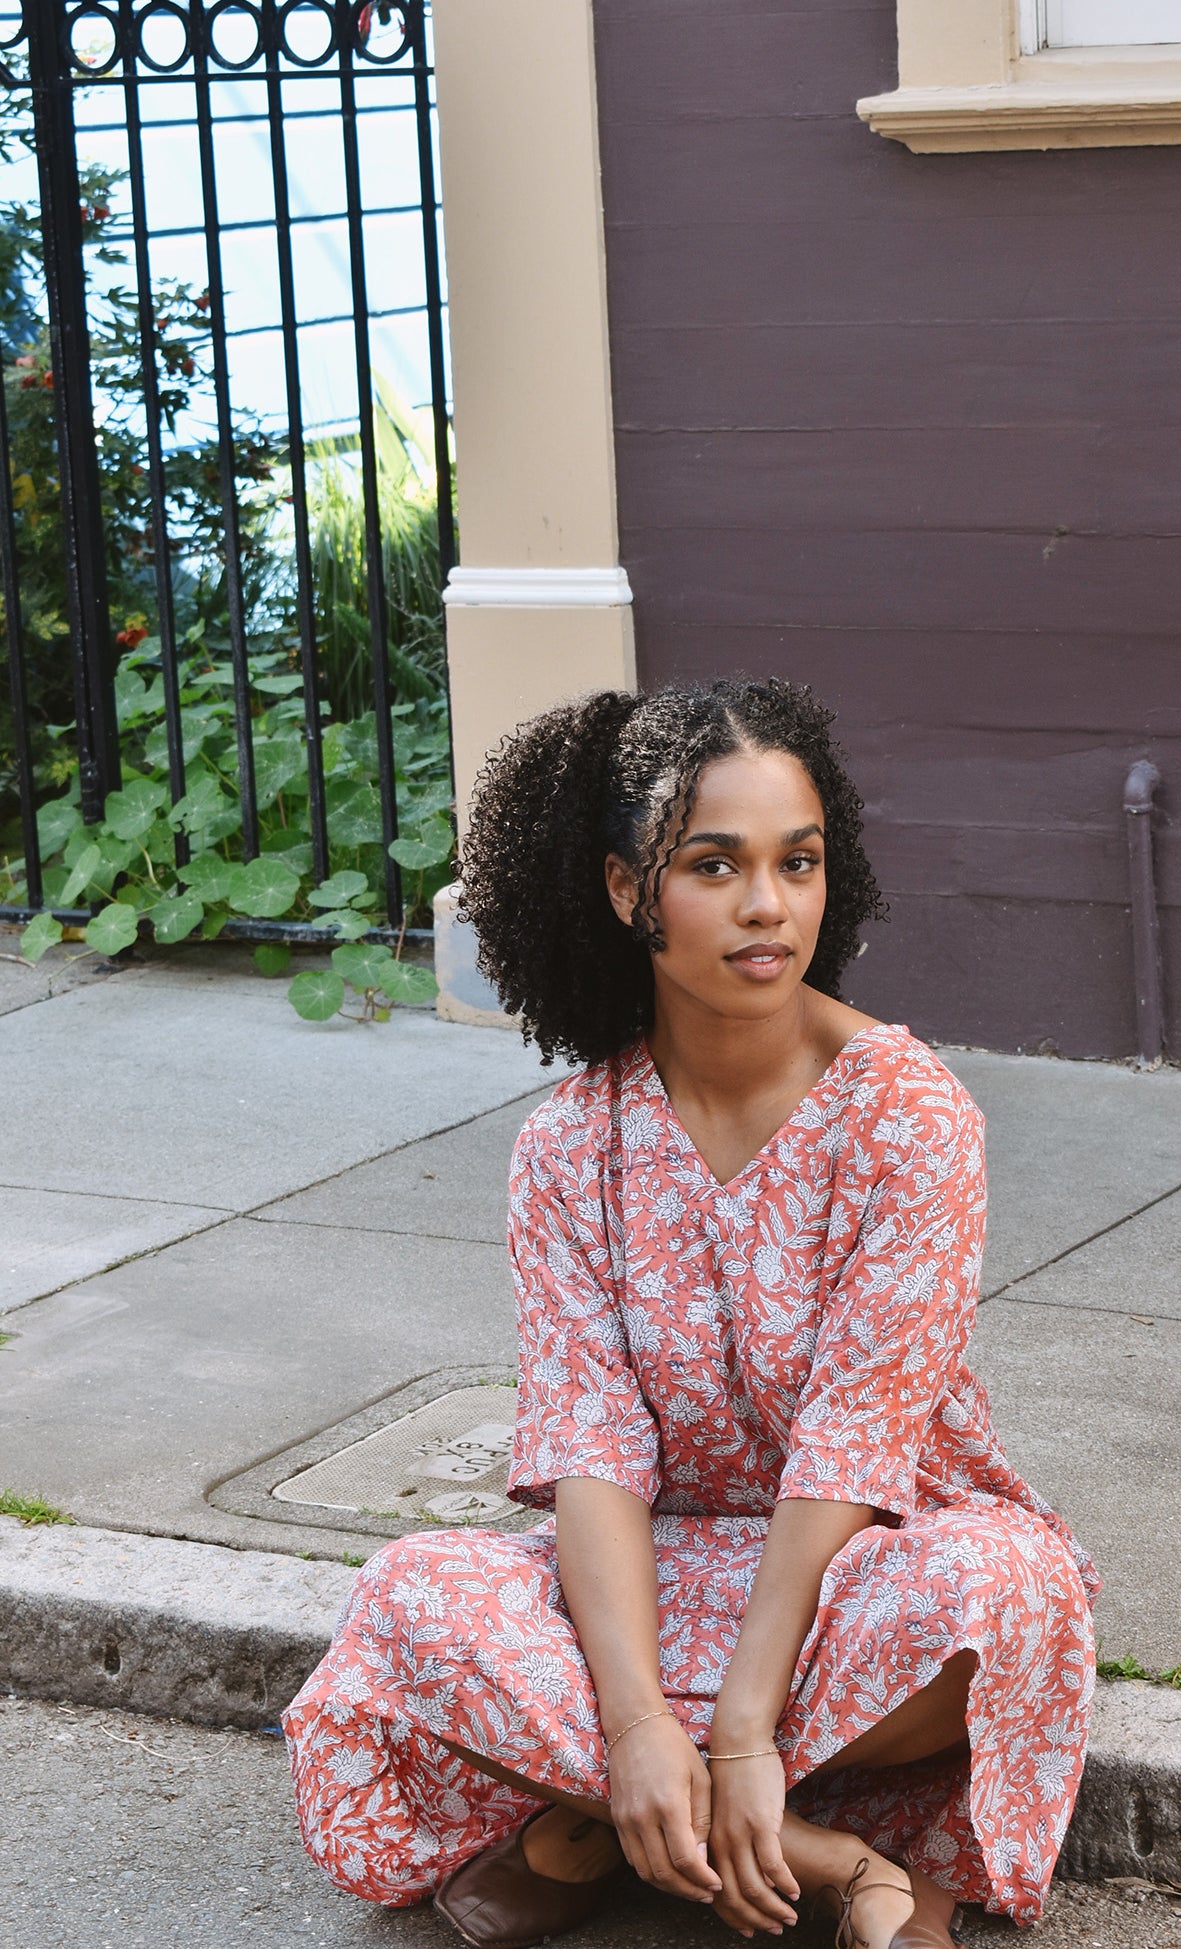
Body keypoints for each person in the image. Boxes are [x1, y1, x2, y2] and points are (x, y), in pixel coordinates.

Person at [284, 678, 1099, 1949]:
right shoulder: (571, 1146)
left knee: (1009, 1591)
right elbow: (589, 1445)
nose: (769, 905)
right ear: (625, 889)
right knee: (409, 1593)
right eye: (715, 864)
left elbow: (854, 1442)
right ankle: (822, 1853)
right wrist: (632, 1719)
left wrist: (729, 1722)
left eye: (799, 861)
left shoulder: (911, 1116)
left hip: (860, 1564)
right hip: (652, 1572)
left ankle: (602, 1824)